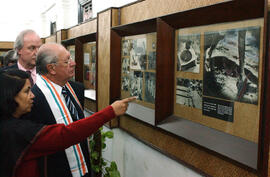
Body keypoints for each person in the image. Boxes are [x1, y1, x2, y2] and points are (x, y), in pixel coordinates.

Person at [0, 69, 135, 177]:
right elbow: (65, 135)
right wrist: (110, 112)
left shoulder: (11, 123)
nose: (32, 95)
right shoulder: (16, 131)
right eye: (26, 91)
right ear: (10, 95)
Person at [24, 43, 95, 177]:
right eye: (67, 61)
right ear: (52, 68)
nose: (73, 63)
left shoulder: (76, 89)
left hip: (84, 167)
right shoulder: (34, 99)